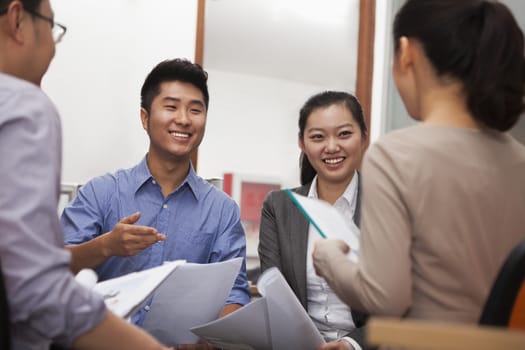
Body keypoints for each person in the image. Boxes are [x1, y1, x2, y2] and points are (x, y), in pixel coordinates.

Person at [313, 0, 525, 339]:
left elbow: (383, 296)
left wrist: (327, 260)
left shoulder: (395, 155)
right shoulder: (520, 162)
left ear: (406, 53)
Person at [0, 0, 173, 349]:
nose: (51, 47)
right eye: (52, 28)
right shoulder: (23, 105)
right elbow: (38, 288)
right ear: (18, 19)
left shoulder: (222, 208)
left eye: (196, 109)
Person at [61, 58, 250, 334]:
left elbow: (235, 294)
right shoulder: (100, 192)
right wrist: (106, 246)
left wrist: (211, 337)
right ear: (145, 118)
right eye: (171, 107)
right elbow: (53, 267)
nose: (184, 119)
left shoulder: (222, 210)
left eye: (195, 110)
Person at [258, 91, 368, 350]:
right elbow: (275, 292)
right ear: (302, 143)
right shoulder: (278, 206)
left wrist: (351, 345)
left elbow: (399, 305)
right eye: (318, 137)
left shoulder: (388, 203)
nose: (331, 147)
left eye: (344, 134)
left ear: (363, 136)